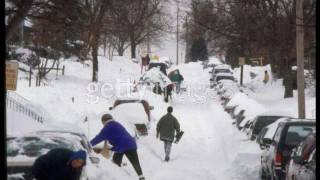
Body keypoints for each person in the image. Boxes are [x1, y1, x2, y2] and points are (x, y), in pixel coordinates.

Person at [90, 114, 145, 180]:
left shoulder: (107, 127)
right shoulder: (117, 124)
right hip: (131, 144)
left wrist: (89, 144)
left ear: (104, 121)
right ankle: (141, 177)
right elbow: (119, 135)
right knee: (135, 163)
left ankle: (118, 177)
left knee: (115, 164)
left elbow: (99, 138)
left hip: (121, 147)